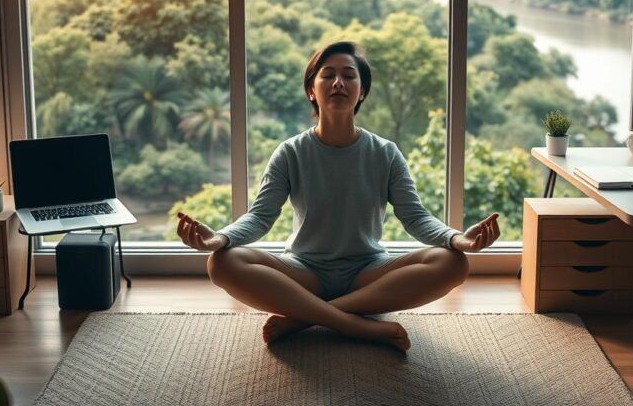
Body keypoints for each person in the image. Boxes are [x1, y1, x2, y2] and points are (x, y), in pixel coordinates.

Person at [176, 41, 500, 352]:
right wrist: (217, 239)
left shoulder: (385, 153)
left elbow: (415, 218)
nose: (338, 83)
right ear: (311, 90)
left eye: (348, 75)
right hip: (303, 271)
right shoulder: (291, 152)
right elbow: (260, 217)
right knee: (222, 262)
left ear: (363, 91)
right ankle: (354, 324)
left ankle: (304, 319)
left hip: (368, 273)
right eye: (327, 74)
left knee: (453, 263)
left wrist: (460, 240)